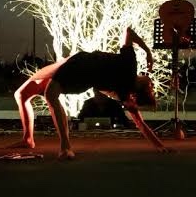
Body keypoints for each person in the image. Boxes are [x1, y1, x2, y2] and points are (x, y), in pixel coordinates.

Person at [10, 27, 167, 159]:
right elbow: (140, 123)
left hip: (78, 71)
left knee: (50, 95)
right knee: (21, 94)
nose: (151, 83)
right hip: (76, 63)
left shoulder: (129, 68)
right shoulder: (123, 91)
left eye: (150, 87)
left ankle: (65, 146)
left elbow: (129, 32)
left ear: (140, 89)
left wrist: (148, 52)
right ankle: (28, 139)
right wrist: (159, 145)